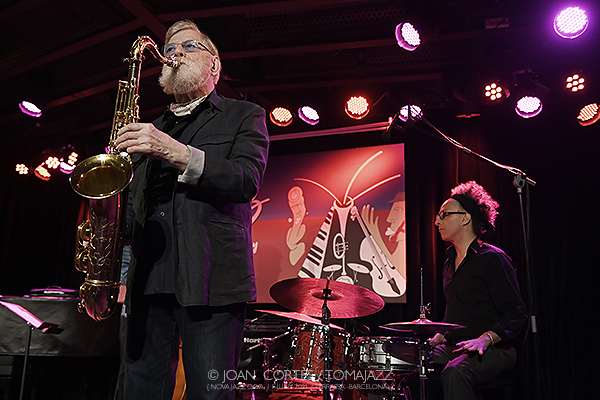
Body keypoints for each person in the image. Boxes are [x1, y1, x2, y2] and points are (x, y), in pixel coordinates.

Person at [114, 19, 269, 400]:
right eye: (169, 49)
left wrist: (175, 152)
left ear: (214, 65)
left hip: (211, 281)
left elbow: (246, 179)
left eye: (189, 46)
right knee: (138, 392)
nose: (175, 53)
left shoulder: (244, 115)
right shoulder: (148, 127)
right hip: (148, 282)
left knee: (211, 394)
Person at [429, 181, 527, 400]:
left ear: (465, 218)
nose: (437, 221)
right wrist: (439, 335)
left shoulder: (493, 259)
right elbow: (456, 313)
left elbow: (517, 313)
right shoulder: (449, 261)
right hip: (455, 345)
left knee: (455, 372)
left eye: (443, 214)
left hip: (495, 348)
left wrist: (486, 338)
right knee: (410, 365)